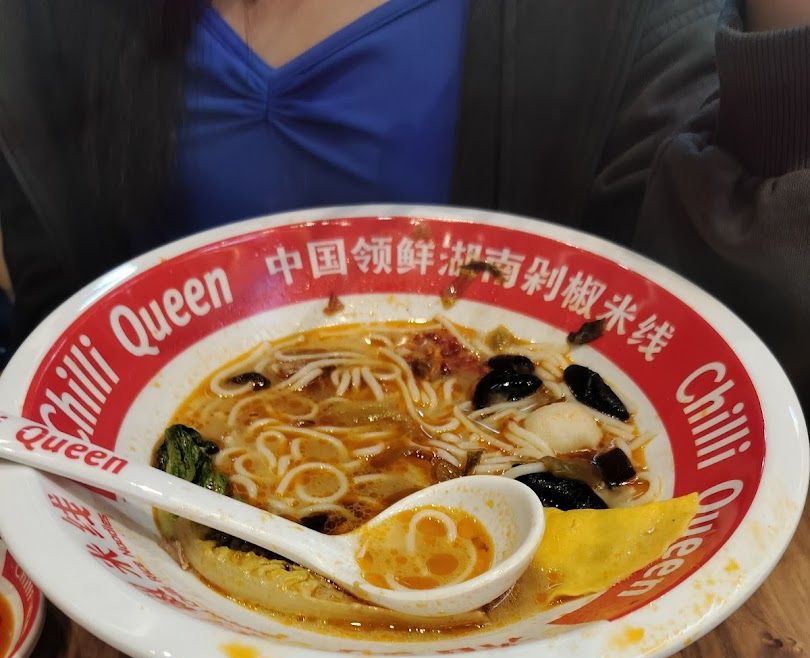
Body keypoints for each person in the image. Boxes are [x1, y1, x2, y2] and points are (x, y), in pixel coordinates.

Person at [0, 0, 809, 404]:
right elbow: (53, 345)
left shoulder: (613, 21)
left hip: (530, 628)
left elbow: (739, 352)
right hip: (134, 592)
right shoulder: (47, 24)